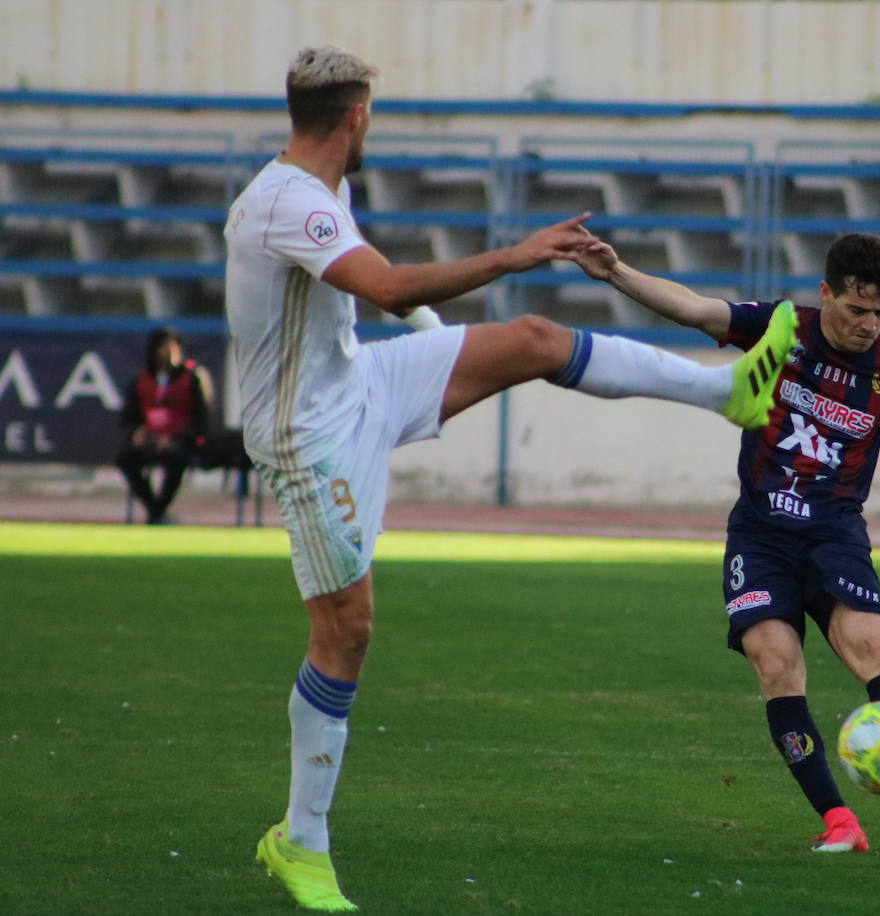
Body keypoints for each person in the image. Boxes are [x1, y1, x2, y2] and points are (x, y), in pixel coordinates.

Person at [227, 46, 797, 912]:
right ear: (357, 118)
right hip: (308, 437)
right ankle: (301, 842)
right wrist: (516, 252)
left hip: (357, 380)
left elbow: (354, 297)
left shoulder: (319, 187)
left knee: (530, 338)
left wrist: (435, 335)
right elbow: (381, 283)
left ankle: (730, 391)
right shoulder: (290, 203)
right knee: (348, 632)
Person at [573, 232, 880, 853]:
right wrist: (616, 273)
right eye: (856, 309)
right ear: (826, 293)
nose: (867, 323)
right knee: (775, 664)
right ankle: (838, 820)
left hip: (834, 533)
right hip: (760, 533)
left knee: (872, 644)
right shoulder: (780, 329)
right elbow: (694, 308)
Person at [115, 326, 213, 524]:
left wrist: (176, 438)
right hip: (150, 439)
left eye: (174, 347)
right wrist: (136, 433)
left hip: (179, 440)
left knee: (177, 459)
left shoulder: (192, 377)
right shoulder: (141, 379)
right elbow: (129, 417)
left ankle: (158, 510)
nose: (170, 352)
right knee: (125, 459)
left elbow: (201, 419)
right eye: (165, 347)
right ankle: (155, 509)